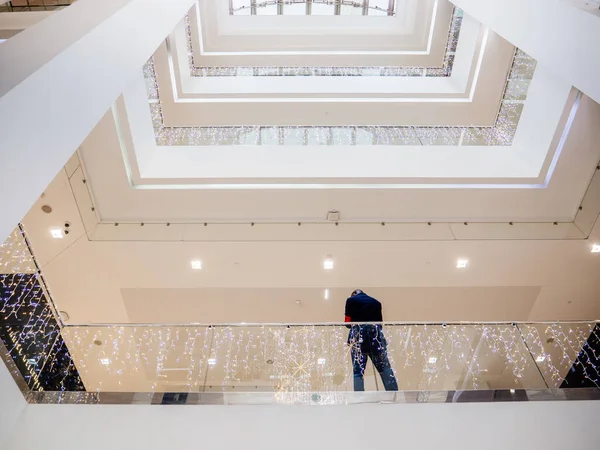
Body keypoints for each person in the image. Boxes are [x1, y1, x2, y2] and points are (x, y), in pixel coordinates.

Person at [345, 289, 398, 391]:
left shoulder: (351, 300)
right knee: (384, 368)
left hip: (358, 338)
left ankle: (360, 397)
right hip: (376, 338)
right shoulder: (376, 303)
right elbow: (379, 323)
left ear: (353, 294)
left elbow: (348, 323)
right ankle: (393, 393)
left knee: (358, 372)